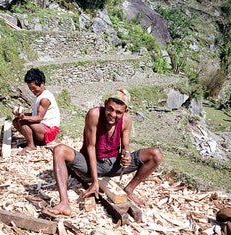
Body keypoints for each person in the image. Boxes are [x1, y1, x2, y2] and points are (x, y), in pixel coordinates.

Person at [45, 88, 163, 216]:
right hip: (90, 165)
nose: (112, 114)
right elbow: (91, 147)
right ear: (105, 103)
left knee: (155, 154)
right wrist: (95, 181)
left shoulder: (126, 120)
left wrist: (126, 154)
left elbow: (126, 145)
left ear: (125, 112)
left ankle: (129, 189)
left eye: (118, 112)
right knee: (59, 150)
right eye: (110, 109)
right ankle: (64, 203)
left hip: (113, 164)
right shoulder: (94, 114)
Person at [12, 68, 60, 155]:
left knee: (22, 121)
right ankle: (33, 141)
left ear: (42, 84)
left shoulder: (45, 98)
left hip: (49, 132)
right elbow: (35, 115)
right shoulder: (39, 96)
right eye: (30, 89)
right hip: (42, 128)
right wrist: (20, 114)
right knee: (16, 121)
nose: (33, 91)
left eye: (34, 88)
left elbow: (38, 118)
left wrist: (23, 117)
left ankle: (31, 145)